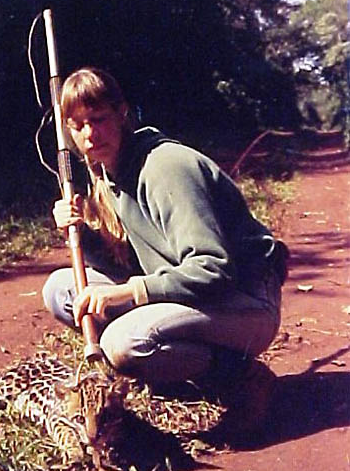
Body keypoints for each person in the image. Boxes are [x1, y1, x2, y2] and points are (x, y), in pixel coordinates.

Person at [42, 67, 288, 439]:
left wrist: (128, 293)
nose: (90, 135)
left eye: (98, 119)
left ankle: (243, 378)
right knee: (61, 289)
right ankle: (172, 371)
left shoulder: (164, 168)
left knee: (123, 342)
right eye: (78, 126)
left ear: (122, 112)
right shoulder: (110, 174)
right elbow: (135, 264)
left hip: (245, 299)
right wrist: (82, 235)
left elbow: (213, 269)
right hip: (195, 295)